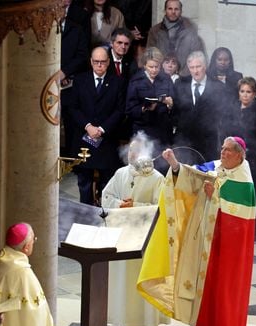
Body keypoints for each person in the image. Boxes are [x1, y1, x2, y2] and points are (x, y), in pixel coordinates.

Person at [137, 137, 256, 326]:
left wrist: (216, 196)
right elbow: (192, 177)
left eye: (228, 150)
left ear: (240, 155)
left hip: (228, 249)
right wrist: (174, 164)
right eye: (222, 148)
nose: (223, 153)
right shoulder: (215, 167)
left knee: (223, 290)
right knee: (206, 288)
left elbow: (239, 220)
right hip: (207, 242)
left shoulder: (244, 182)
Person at [102, 135, 168, 326]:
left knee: (139, 275)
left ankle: (143, 320)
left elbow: (160, 207)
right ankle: (123, 318)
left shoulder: (157, 178)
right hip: (122, 234)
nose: (133, 153)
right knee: (122, 277)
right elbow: (106, 196)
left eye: (137, 150)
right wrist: (120, 204)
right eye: (130, 149)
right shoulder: (121, 173)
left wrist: (135, 206)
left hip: (143, 237)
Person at [69, 46, 126, 205]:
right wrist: (88, 126)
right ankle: (85, 211)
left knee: (107, 182)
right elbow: (73, 107)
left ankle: (104, 211)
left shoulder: (117, 82)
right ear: (91, 62)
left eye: (102, 62)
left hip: (106, 139)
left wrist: (101, 129)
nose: (99, 65)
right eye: (96, 62)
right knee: (84, 182)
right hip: (84, 137)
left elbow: (120, 110)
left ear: (108, 62)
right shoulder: (80, 80)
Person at [221, 77, 256, 221]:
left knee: (250, 194)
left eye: (249, 91)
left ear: (254, 94)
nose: (245, 95)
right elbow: (224, 130)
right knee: (233, 192)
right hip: (231, 158)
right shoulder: (231, 109)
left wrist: (251, 152)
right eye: (242, 91)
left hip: (251, 159)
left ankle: (253, 228)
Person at [173, 51, 230, 162]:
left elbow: (222, 114)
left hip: (207, 142)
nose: (195, 71)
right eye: (192, 67)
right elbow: (175, 112)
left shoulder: (218, 87)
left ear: (205, 66)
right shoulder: (180, 84)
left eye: (198, 66)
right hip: (184, 142)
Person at [125, 47, 175, 150]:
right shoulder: (135, 80)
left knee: (163, 164)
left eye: (157, 67)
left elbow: (175, 105)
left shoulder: (166, 78)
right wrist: (144, 108)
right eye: (150, 67)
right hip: (143, 130)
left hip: (163, 131)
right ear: (144, 66)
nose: (154, 70)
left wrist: (170, 104)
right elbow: (129, 109)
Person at [59, 0, 91, 157]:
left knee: (70, 121)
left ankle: (70, 158)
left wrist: (64, 72)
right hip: (47, 81)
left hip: (69, 83)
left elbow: (82, 56)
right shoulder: (44, 29)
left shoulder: (76, 30)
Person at [147, 0, 205, 77]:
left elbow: (196, 56)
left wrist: (182, 75)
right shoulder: (155, 31)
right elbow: (150, 55)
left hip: (184, 77)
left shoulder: (190, 31)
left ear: (181, 11)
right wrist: (160, 73)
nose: (173, 12)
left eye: (176, 9)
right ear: (165, 10)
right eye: (170, 9)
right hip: (160, 76)